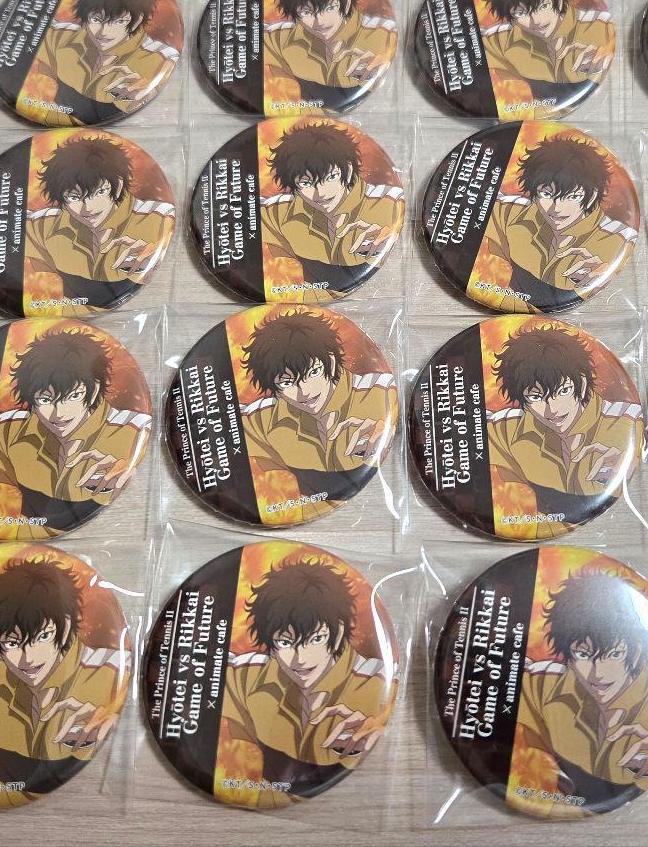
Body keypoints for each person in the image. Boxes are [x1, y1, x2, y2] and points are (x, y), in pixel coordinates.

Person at [515, 567, 648, 814]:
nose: (598, 673)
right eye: (583, 654)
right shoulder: (544, 685)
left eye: (615, 654)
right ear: (568, 655)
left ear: (637, 650)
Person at [0, 557, 125, 808]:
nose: (28, 658)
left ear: (65, 627)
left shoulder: (114, 672)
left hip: (84, 807)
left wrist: (117, 720)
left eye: (43, 636)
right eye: (12, 643)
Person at [222, 559, 393, 804]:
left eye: (316, 639)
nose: (300, 659)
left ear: (340, 632)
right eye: (284, 642)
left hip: (346, 804)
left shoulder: (378, 680)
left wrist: (383, 723)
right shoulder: (248, 675)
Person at [0, 328, 151, 537]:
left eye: (74, 396)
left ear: (95, 389)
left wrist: (125, 475)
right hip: (15, 543)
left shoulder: (135, 431)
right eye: (45, 399)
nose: (59, 413)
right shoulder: (9, 429)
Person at [487, 325, 641, 537]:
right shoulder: (507, 429)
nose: (552, 409)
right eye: (535, 396)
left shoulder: (629, 423)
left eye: (563, 390)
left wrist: (623, 467)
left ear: (583, 383)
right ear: (522, 398)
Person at [240, 310, 394, 517]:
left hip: (370, 515)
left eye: (313, 372)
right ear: (272, 385)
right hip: (299, 522)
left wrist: (387, 432)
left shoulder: (382, 392)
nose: (305, 391)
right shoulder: (263, 418)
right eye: (287, 382)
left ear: (331, 360)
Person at [480, 134, 635, 310]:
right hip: (506, 317)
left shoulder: (619, 240)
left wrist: (602, 274)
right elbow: (475, 199)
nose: (557, 208)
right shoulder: (515, 213)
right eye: (546, 194)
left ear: (592, 196)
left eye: (573, 197)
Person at [27, 135, 174, 308]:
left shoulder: (160, 219)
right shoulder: (44, 225)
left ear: (118, 186)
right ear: (61, 198)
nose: (88, 208)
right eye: (74, 197)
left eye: (100, 192)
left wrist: (154, 255)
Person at [261, 123, 401, 299]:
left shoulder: (390, 203)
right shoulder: (279, 212)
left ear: (349, 170)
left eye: (331, 177)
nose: (321, 193)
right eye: (305, 183)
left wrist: (389, 235)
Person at [33, 0, 180, 125]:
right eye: (96, 20)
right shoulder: (64, 37)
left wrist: (150, 88)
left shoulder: (158, 58)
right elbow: (31, 25)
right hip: (53, 130)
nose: (104, 32)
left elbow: (171, 56)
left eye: (118, 22)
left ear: (137, 21)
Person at [480, 0, 613, 111]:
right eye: (521, 13)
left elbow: (614, 55)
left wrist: (605, 56)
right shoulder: (498, 40)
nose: (536, 21)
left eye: (543, 6)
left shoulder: (601, 27)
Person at [263, 0, 396, 109]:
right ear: (294, 12)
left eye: (330, 8)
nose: (320, 22)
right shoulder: (279, 38)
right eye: (307, 12)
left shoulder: (385, 34)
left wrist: (385, 67)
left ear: (346, 3)